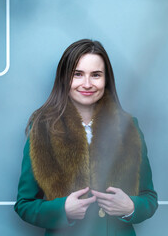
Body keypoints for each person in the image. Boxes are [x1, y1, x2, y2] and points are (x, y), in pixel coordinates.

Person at [14, 39, 158, 235]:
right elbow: (24, 205)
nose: (87, 84)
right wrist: (63, 210)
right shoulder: (42, 129)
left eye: (96, 75)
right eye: (78, 74)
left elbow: (149, 198)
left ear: (106, 79)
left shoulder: (128, 127)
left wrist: (130, 207)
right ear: (65, 78)